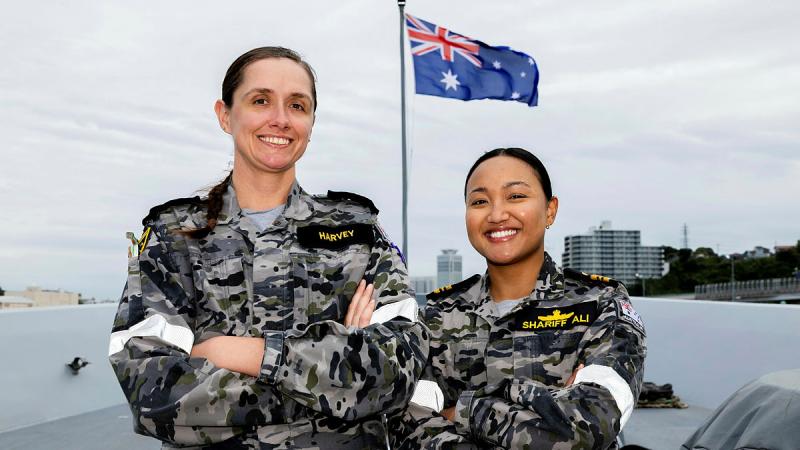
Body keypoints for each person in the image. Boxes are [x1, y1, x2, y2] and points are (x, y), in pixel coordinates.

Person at [108, 46, 428, 449]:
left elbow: (399, 370)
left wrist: (246, 354)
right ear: (225, 115)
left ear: (311, 122)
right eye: (260, 101)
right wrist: (338, 385)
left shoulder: (358, 231)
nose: (280, 119)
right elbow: (152, 394)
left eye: (297, 105)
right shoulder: (175, 237)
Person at [392, 148, 646, 449]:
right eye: (479, 201)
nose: (497, 214)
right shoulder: (437, 315)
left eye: (515, 197)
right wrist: (546, 409)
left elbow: (590, 423)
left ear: (550, 210)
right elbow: (405, 427)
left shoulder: (601, 305)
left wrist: (464, 410)